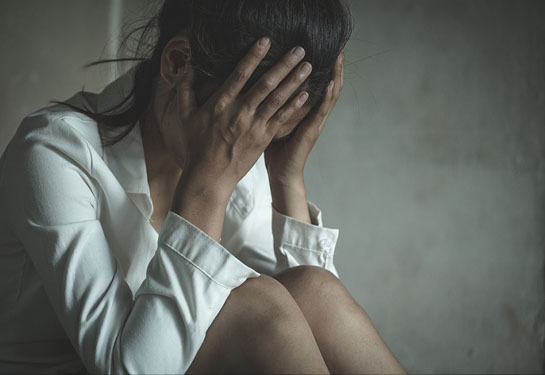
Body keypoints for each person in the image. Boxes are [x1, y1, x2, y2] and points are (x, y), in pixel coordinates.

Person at [0, 0, 406, 374]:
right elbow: (127, 368)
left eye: (270, 134)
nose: (253, 148)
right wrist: (206, 184)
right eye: (252, 127)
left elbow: (310, 322)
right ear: (178, 63)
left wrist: (286, 179)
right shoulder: (53, 151)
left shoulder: (240, 143)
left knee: (314, 290)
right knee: (258, 307)